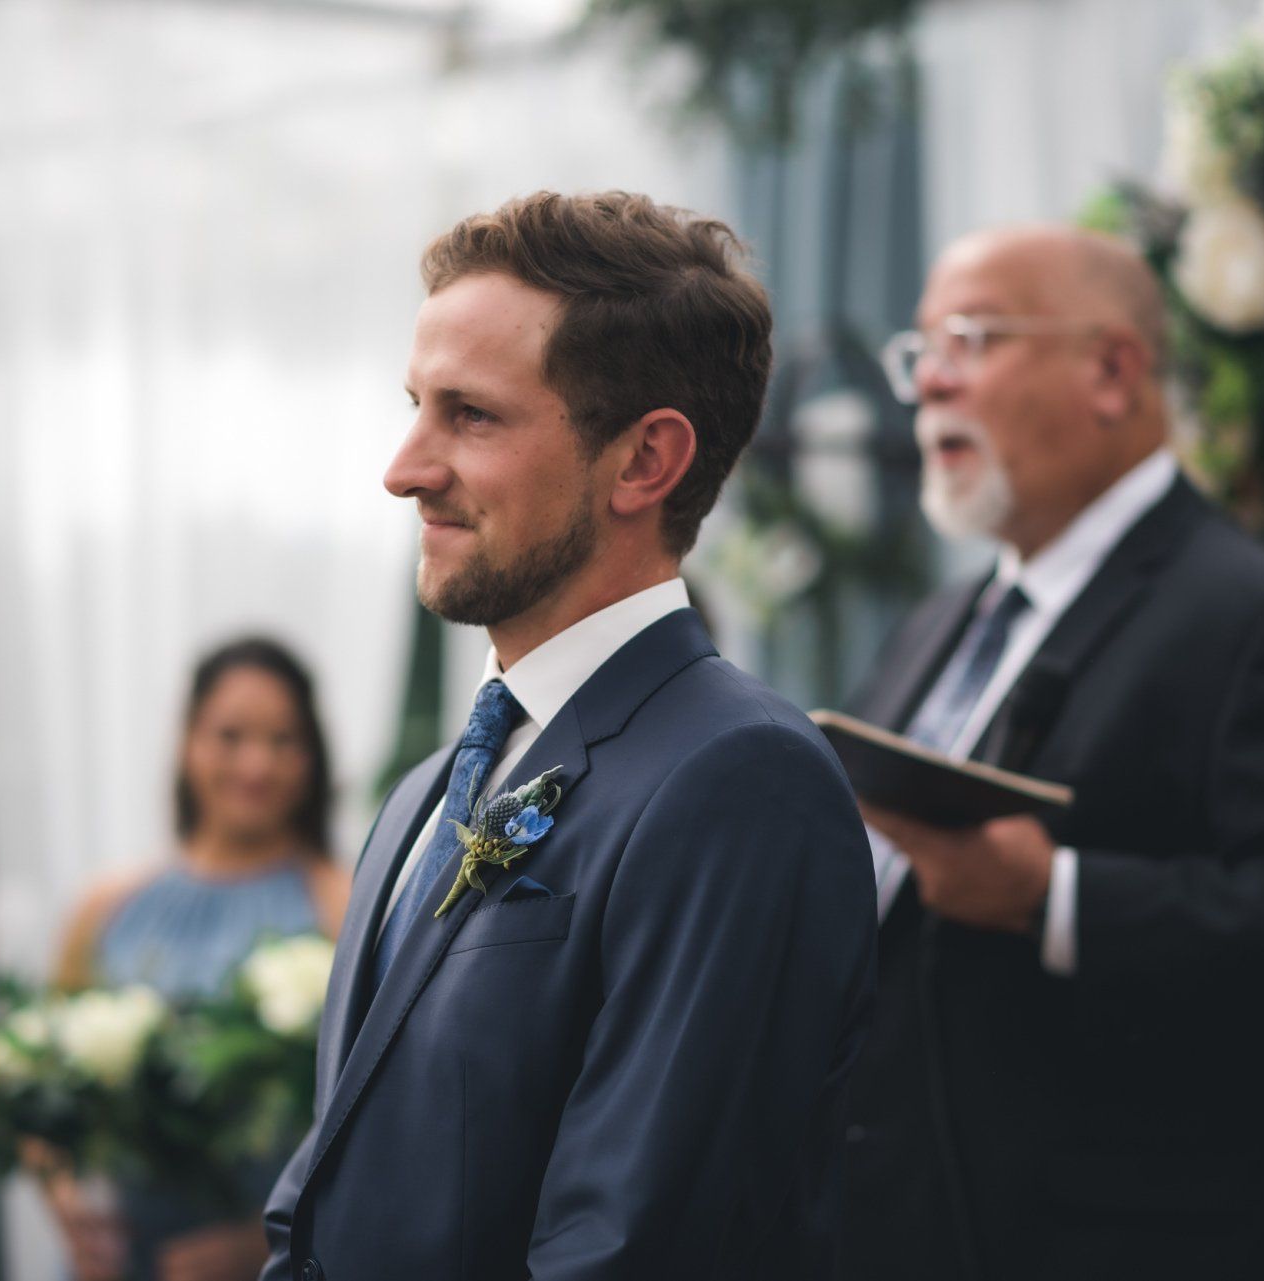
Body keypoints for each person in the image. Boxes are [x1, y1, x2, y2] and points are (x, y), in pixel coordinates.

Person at [260, 191, 877, 1281]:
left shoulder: (738, 779)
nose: (404, 468)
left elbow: (631, 1248)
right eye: (415, 406)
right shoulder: (426, 793)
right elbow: (327, 1194)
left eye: (472, 416)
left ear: (644, 462)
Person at [836, 225, 1264, 1281]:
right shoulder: (939, 622)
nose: (928, 381)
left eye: (971, 339)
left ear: (1112, 371)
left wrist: (1054, 896)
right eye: (918, 349)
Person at [42, 636, 349, 1281]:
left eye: (283, 740)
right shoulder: (105, 907)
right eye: (230, 736)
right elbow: (38, 1087)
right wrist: (68, 1201)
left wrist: (265, 1243)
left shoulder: (343, 906)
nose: (255, 765)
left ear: (312, 756)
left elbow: (375, 1125)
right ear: (187, 742)